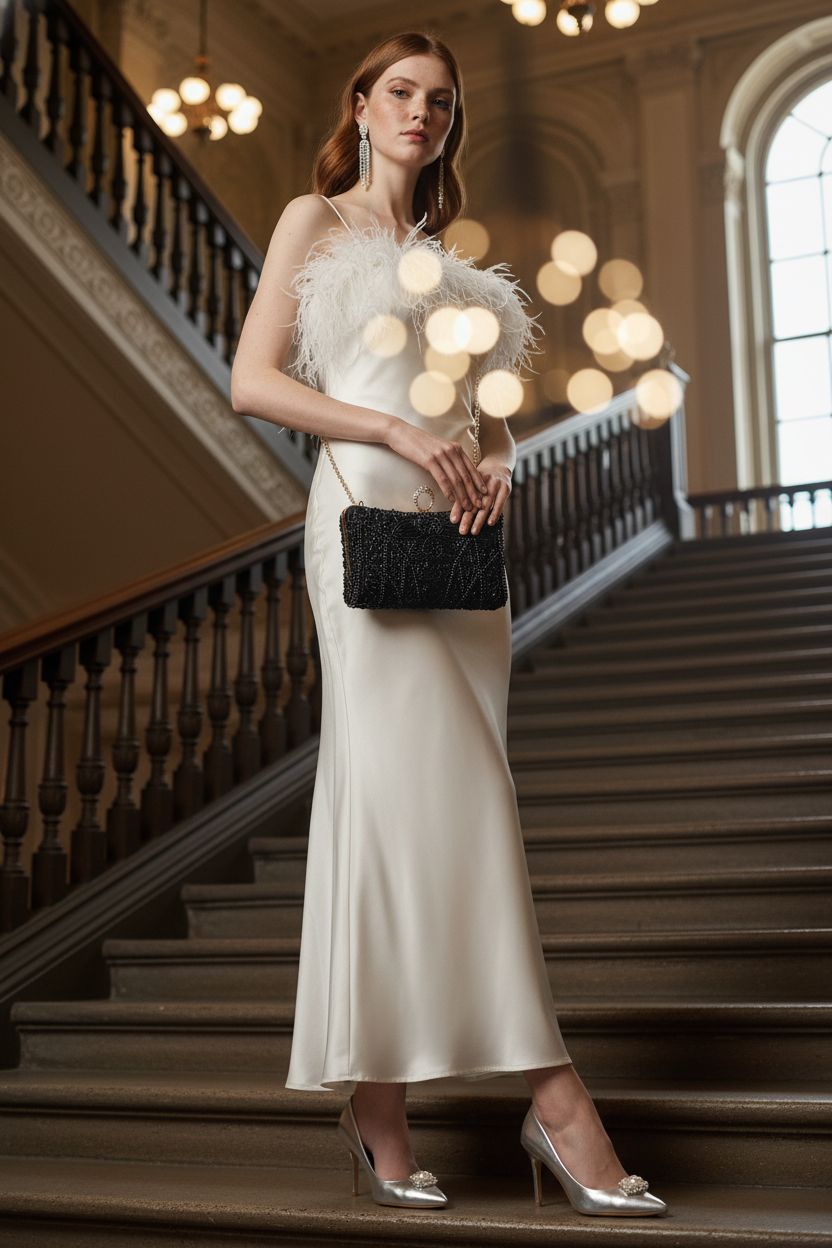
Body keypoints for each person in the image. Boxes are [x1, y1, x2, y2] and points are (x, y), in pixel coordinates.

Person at [230, 28, 666, 1219]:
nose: (422, 113)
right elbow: (253, 383)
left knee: (442, 802)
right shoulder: (311, 223)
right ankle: (549, 1099)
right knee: (408, 797)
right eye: (401, 94)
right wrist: (392, 435)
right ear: (362, 108)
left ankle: (383, 1108)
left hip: (461, 547)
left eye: (440, 101)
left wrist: (498, 455)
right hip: (363, 527)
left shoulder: (443, 259)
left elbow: (478, 415)